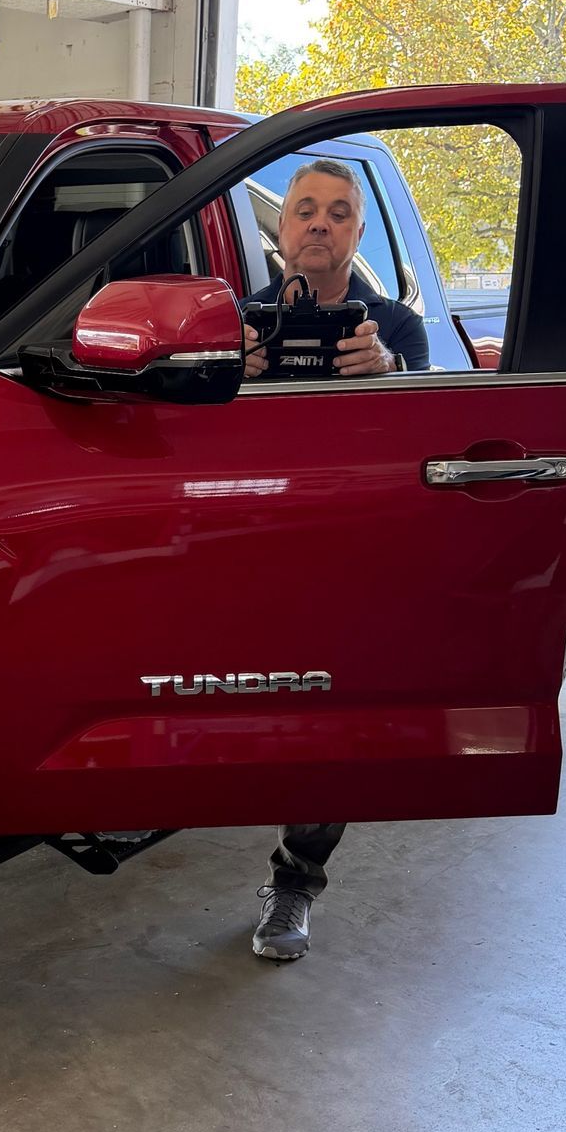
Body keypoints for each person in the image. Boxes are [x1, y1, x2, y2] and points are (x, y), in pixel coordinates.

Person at [239, 156, 430, 962]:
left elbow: (431, 445)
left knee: (330, 727)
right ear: (280, 229)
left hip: (346, 555)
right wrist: (224, 378)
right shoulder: (234, 321)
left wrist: (386, 379)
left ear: (356, 230)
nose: (319, 223)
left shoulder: (394, 328)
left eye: (338, 212)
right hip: (237, 549)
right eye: (304, 210)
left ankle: (294, 883)